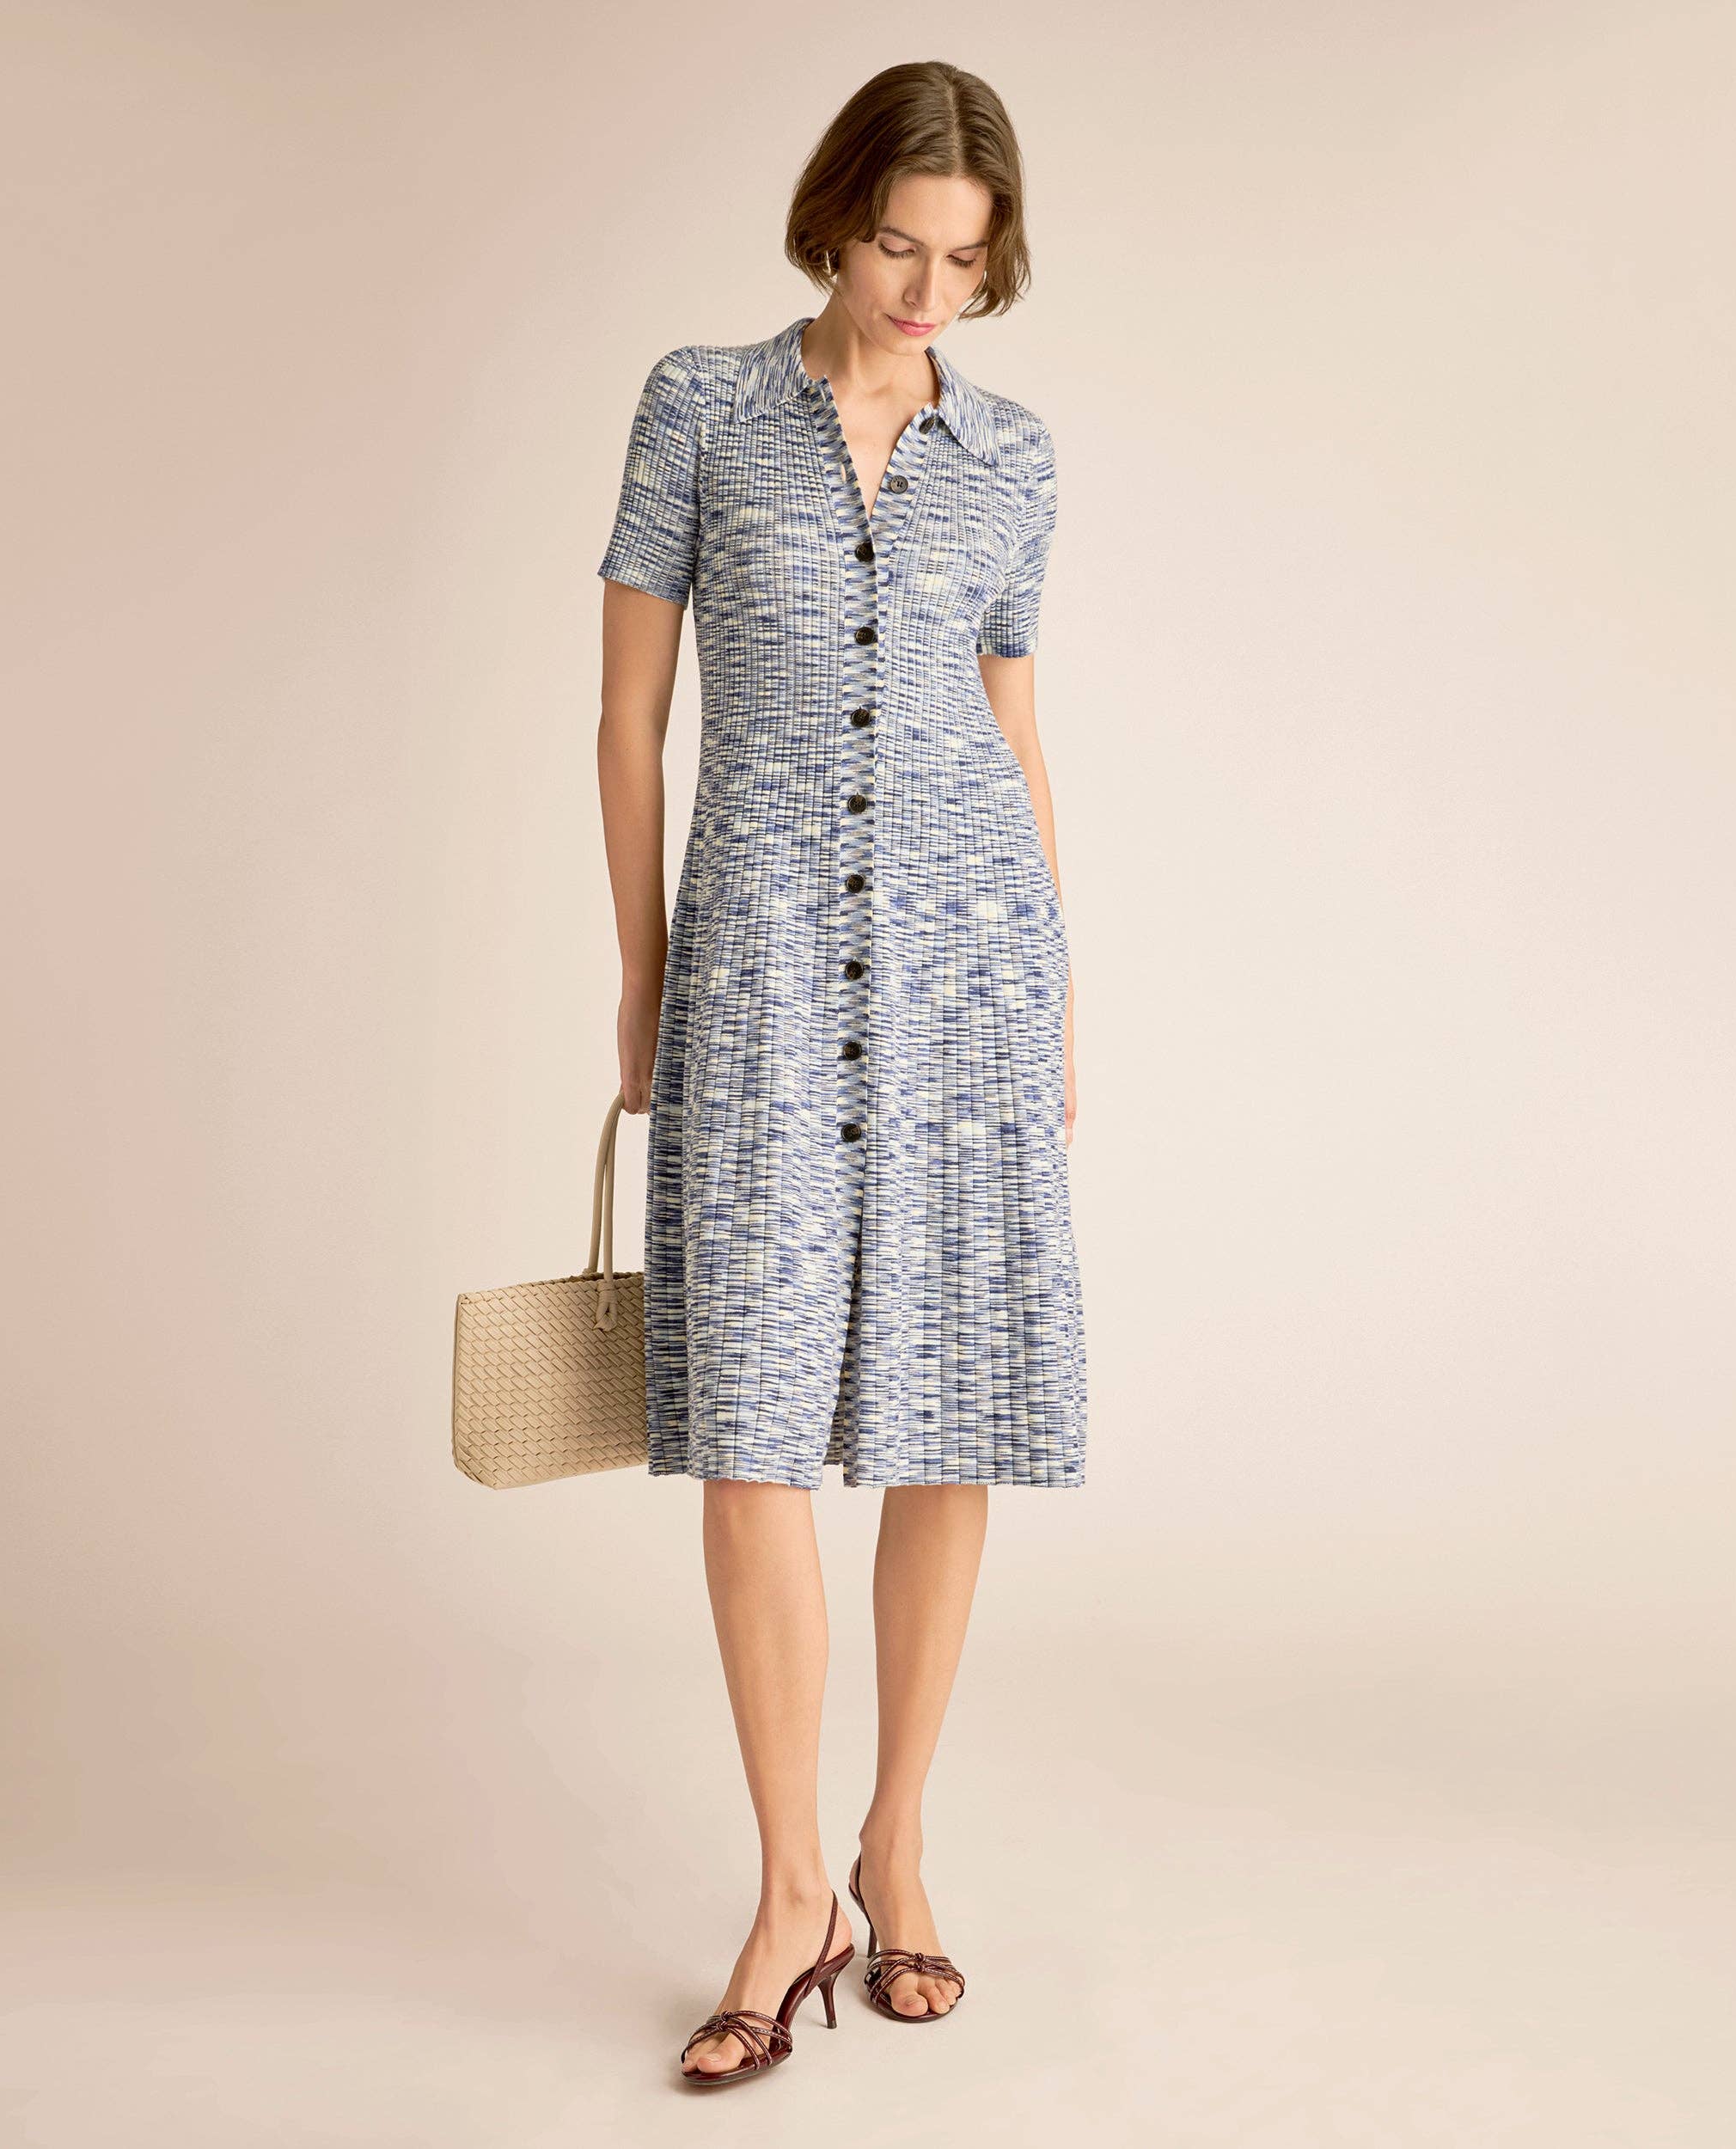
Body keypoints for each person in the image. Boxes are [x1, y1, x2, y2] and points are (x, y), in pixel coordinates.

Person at [593, 58, 1088, 2088]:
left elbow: (1010, 725)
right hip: (764, 967)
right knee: (751, 1422)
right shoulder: (699, 409)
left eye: (962, 260)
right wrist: (643, 978)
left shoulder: (1014, 454)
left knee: (945, 1405)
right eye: (896, 243)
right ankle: (788, 1883)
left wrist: (1061, 990)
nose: (922, 291)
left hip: (974, 971)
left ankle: (897, 1847)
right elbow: (628, 721)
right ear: (833, 218)